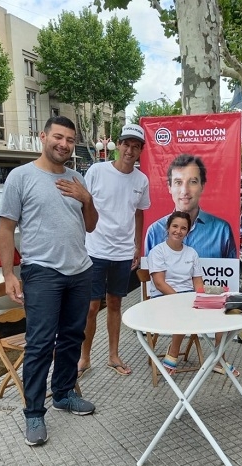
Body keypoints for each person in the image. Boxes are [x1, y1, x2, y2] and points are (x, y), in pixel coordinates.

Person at [0, 116, 98, 446]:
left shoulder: (77, 177)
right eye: (58, 137)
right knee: (40, 345)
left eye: (70, 140)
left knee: (72, 336)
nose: (64, 144)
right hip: (42, 273)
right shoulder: (21, 177)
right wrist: (9, 274)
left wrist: (87, 198)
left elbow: (91, 226)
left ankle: (65, 393)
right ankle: (34, 413)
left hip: (79, 270)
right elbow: (6, 228)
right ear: (43, 137)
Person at [78, 123, 151, 377]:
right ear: (117, 145)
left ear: (141, 150)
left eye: (135, 146)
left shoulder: (142, 180)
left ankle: (113, 355)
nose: (130, 150)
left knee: (115, 304)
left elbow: (139, 213)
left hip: (122, 253)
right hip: (95, 250)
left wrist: (137, 246)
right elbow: (83, 205)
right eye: (126, 144)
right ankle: (84, 358)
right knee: (90, 307)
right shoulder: (97, 171)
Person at [147, 211, 238, 377]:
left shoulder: (191, 253)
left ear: (188, 231)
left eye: (183, 228)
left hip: (188, 296)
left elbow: (198, 284)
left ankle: (219, 360)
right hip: (163, 299)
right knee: (184, 313)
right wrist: (182, 300)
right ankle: (173, 353)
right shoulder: (158, 252)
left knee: (224, 312)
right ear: (167, 228)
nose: (178, 231)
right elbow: (160, 283)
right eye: (175, 226)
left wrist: (212, 296)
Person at [145, 154, 237, 259]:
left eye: (193, 182)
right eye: (178, 182)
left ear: (202, 186)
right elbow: (148, 274)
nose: (185, 191)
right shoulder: (154, 232)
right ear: (169, 187)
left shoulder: (221, 231)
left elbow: (231, 273)